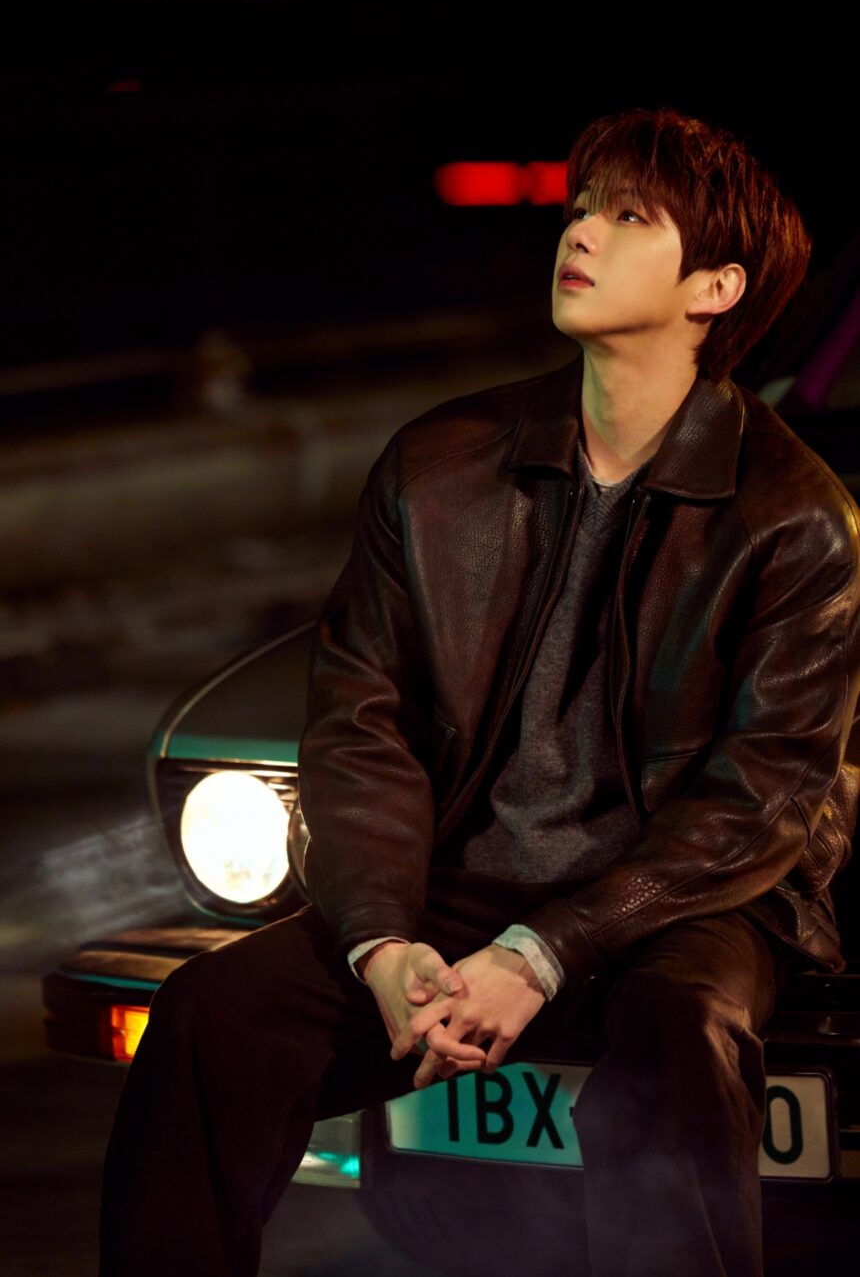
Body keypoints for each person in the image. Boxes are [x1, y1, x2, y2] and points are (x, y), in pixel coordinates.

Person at [99, 107, 860, 1277]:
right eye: (580, 208)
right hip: (466, 887)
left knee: (682, 1030)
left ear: (714, 288)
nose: (580, 234)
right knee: (211, 1017)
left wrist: (541, 955)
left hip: (675, 905)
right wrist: (378, 941)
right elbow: (360, 722)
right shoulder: (438, 464)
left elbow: (761, 798)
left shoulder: (793, 515)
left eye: (628, 217)